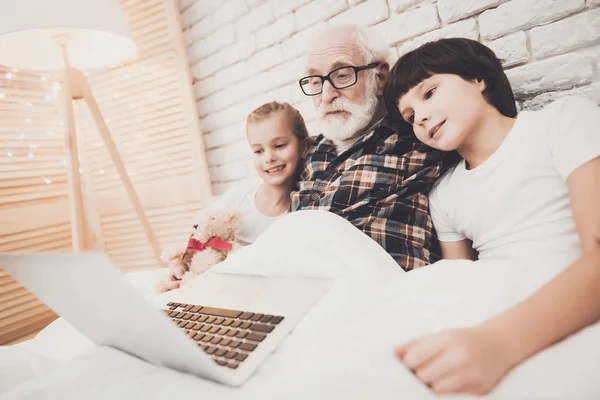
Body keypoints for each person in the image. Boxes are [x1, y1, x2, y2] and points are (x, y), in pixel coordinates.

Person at [384, 38, 600, 395]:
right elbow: (460, 285)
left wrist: (495, 344)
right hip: (492, 310)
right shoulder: (443, 195)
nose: (419, 117)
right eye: (409, 117)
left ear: (476, 78)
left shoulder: (561, 121)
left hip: (556, 314)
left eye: (429, 92)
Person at [292, 25, 458, 270]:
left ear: (380, 78)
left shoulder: (418, 139)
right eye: (316, 81)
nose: (326, 95)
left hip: (380, 298)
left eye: (342, 75)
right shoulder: (310, 151)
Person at [162, 101, 309, 291]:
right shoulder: (238, 198)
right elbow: (199, 237)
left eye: (279, 145)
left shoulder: (304, 211)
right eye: (258, 151)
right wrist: (180, 266)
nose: (268, 158)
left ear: (303, 147)